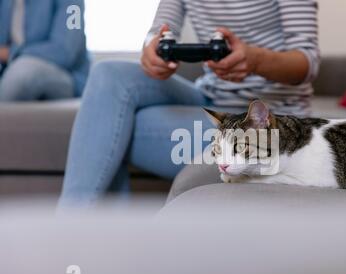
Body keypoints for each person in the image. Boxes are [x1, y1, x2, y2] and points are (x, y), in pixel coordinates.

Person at [59, 0, 320, 207]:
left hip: (267, 124)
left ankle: (75, 239)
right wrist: (153, 49)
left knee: (110, 127)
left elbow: (307, 62)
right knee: (108, 76)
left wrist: (255, 60)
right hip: (211, 101)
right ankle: (79, 231)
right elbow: (160, 29)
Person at [0, 0, 90, 101]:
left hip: (66, 76)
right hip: (7, 73)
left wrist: (9, 53)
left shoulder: (73, 4)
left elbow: (64, 51)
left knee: (23, 71)